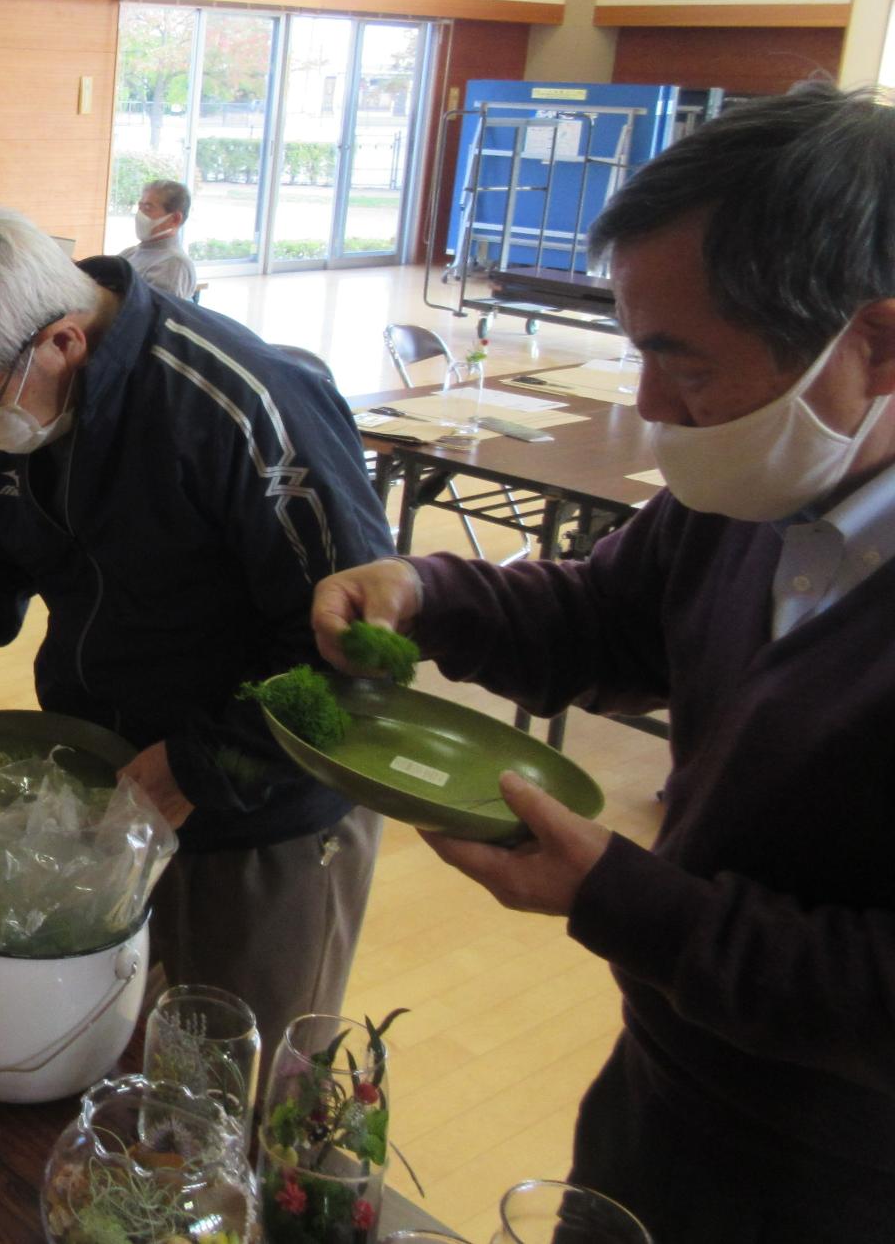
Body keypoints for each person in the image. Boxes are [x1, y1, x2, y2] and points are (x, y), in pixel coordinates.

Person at [310, 83, 895, 1242]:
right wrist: (429, 590)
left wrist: (620, 898)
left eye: (683, 366)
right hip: (664, 1099)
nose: (646, 406)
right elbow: (609, 620)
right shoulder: (755, 491)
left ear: (872, 342)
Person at [0, 205, 392, 1052]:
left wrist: (200, 763)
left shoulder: (239, 407)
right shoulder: (21, 401)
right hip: (107, 783)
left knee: (245, 1068)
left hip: (265, 811)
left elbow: (352, 660)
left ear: (64, 342)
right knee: (110, 1044)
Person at [121, 178, 198, 299]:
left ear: (175, 219)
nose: (139, 214)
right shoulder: (130, 252)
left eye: (147, 208)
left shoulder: (173, 265)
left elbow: (156, 315)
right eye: (140, 207)